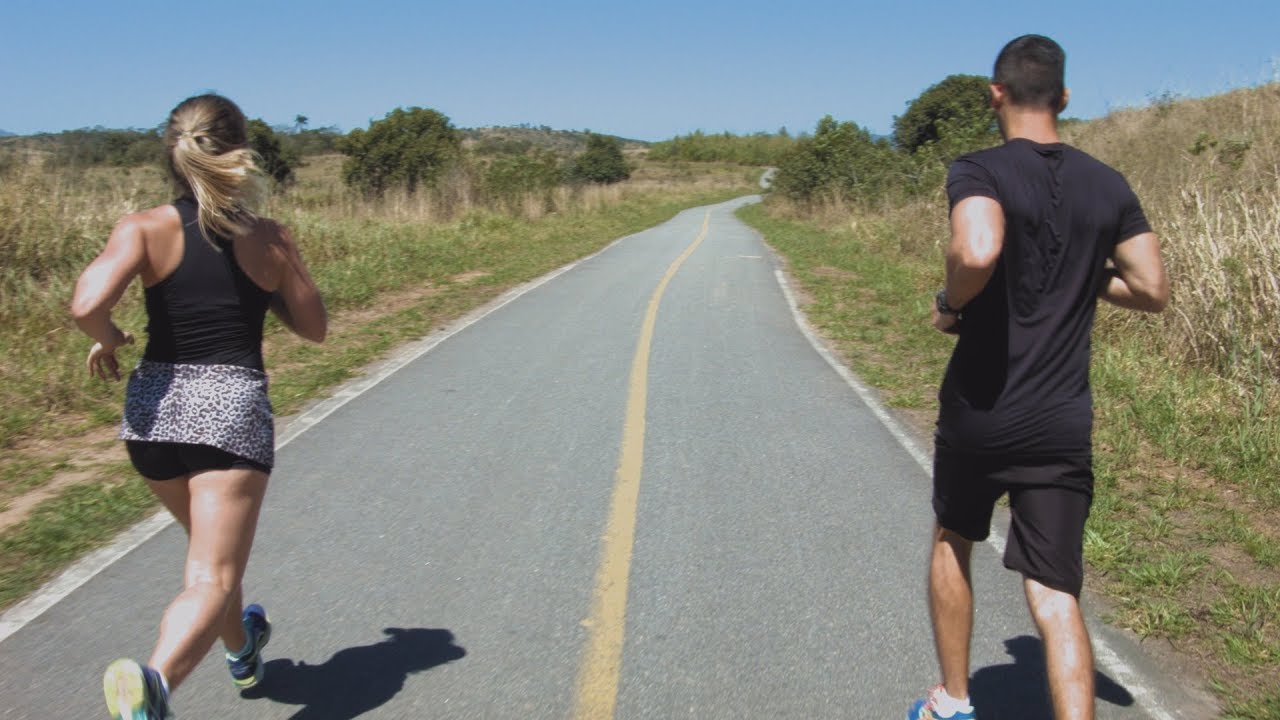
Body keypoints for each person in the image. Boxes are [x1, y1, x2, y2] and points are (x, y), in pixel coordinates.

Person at [909, 35, 1169, 720]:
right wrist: (1087, 276)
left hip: (981, 408)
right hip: (1060, 419)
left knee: (952, 536)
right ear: (1064, 97)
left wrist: (951, 301)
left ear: (995, 94)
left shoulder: (980, 169)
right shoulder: (1108, 184)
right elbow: (1150, 288)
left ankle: (953, 701)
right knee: (1055, 593)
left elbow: (978, 247)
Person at [71, 94, 327, 720]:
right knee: (211, 574)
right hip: (227, 407)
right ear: (241, 149)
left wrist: (108, 338)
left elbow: (85, 304)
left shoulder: (142, 227)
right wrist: (273, 280)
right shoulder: (267, 237)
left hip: (153, 411)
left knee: (211, 560)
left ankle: (243, 650)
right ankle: (154, 684)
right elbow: (314, 326)